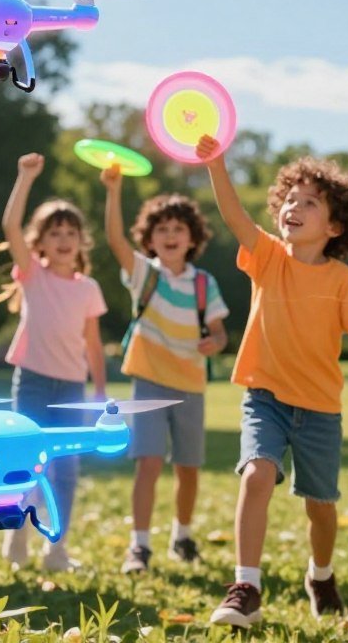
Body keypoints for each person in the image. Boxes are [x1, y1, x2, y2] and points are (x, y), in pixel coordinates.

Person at [196, 133, 348, 628]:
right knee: (257, 474)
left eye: (309, 203)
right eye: (289, 200)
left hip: (321, 409)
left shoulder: (341, 279)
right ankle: (246, 588)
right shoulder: (268, 258)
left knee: (321, 509)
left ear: (335, 226)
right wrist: (217, 165)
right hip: (265, 396)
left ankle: (320, 574)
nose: (292, 208)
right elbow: (236, 218)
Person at [101, 168, 229, 573]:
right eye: (162, 229)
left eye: (178, 228)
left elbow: (221, 333)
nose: (170, 235)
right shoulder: (146, 275)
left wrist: (215, 343)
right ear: (150, 238)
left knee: (188, 466)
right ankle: (139, 546)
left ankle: (183, 535)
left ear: (192, 238)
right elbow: (115, 240)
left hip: (191, 384)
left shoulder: (204, 284)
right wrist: (114, 190)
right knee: (149, 463)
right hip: (150, 381)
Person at [0, 153, 108, 572]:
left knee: (65, 472)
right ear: (40, 241)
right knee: (25, 465)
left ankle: (55, 548)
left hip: (72, 390)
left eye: (71, 232)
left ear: (82, 241)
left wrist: (99, 392)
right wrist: (25, 177)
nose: (64, 239)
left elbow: (93, 345)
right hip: (33, 383)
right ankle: (17, 535)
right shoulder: (33, 274)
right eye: (55, 232)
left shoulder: (89, 288)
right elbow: (10, 227)